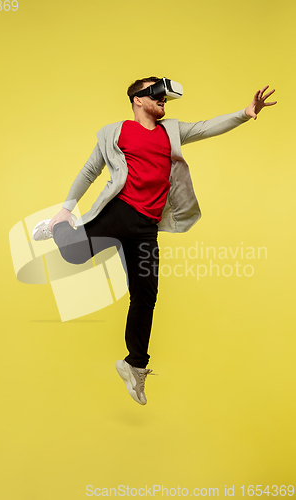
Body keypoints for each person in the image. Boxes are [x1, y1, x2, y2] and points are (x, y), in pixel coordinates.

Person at [32, 77, 277, 405]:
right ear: (137, 100)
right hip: (118, 212)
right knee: (75, 254)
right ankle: (57, 227)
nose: (163, 100)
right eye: (155, 94)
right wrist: (65, 210)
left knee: (146, 295)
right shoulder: (116, 132)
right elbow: (90, 170)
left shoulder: (171, 131)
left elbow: (207, 127)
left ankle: (135, 366)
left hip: (147, 227)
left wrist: (245, 113)